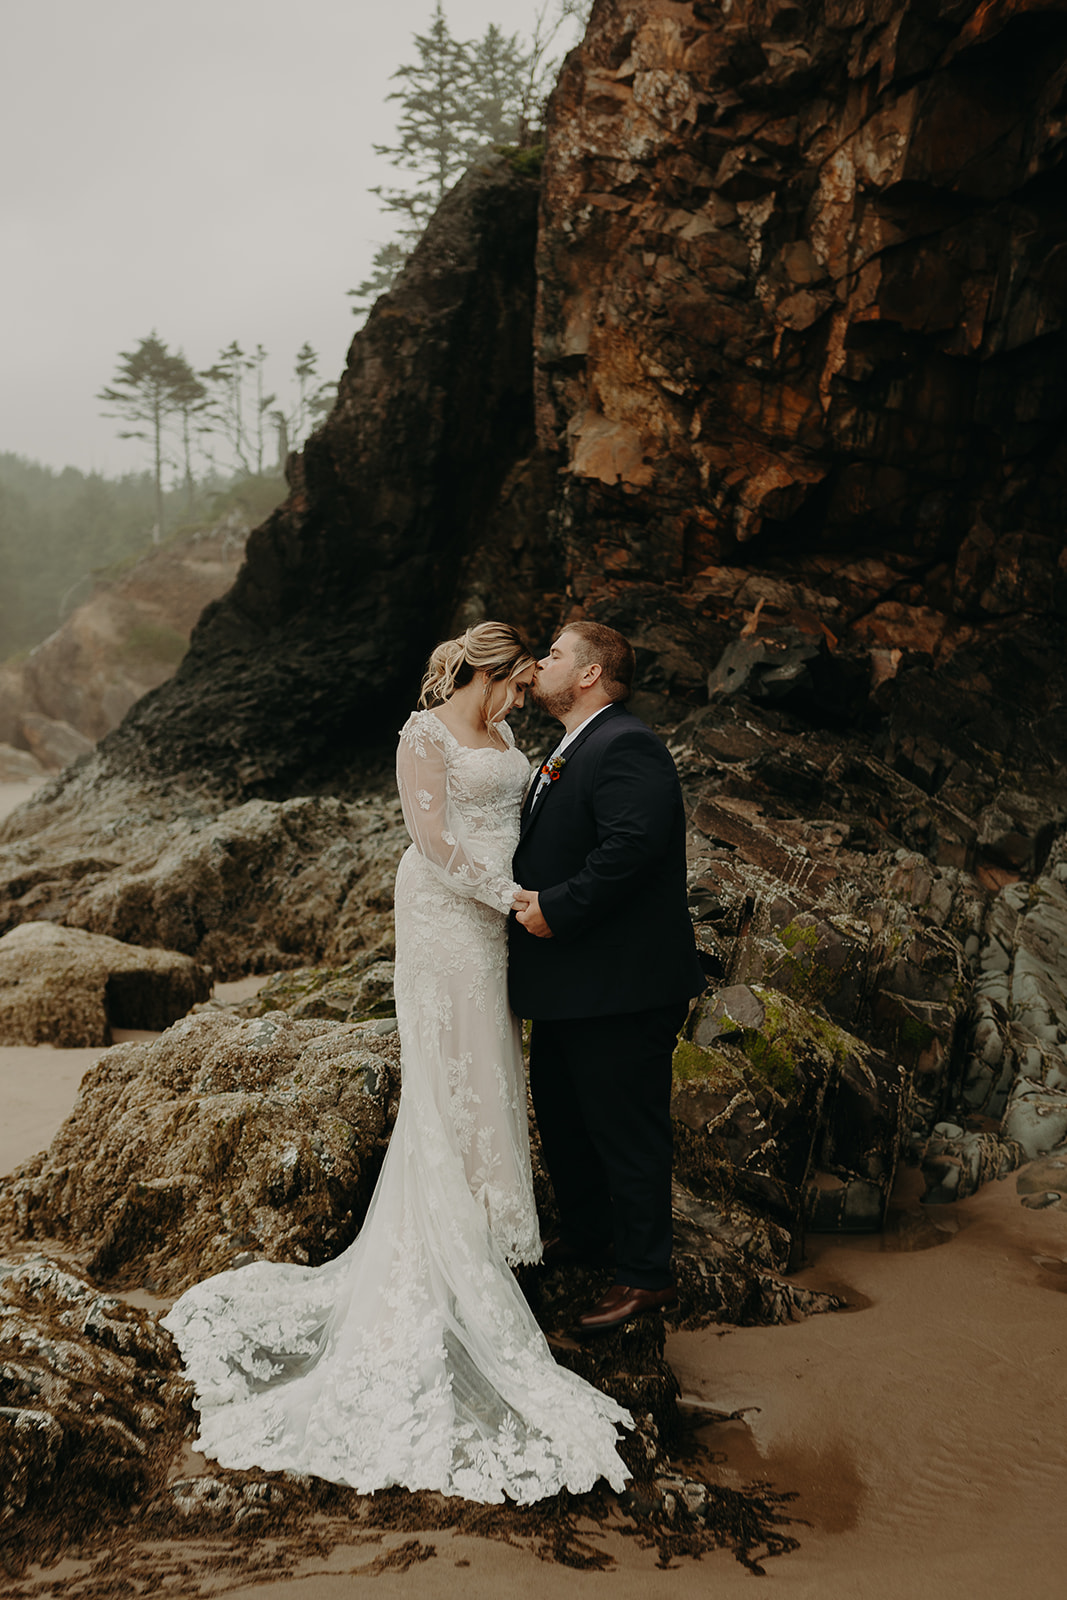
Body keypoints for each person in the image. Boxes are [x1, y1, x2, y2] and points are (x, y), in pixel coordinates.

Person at [162, 622, 631, 1503]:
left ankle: (488, 1235)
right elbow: (429, 838)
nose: (527, 695)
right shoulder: (424, 735)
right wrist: (506, 895)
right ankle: (444, 1247)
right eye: (521, 681)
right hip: (446, 916)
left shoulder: (503, 738)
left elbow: (517, 820)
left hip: (496, 928)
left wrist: (533, 898)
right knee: (447, 1073)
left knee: (490, 1065)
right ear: (490, 670)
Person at [509, 622, 707, 1334]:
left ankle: (646, 1277)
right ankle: (590, 1235)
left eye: (555, 655)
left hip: (623, 987)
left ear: (590, 675)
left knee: (629, 1133)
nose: (540, 664)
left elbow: (632, 847)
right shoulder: (570, 746)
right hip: (571, 986)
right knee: (564, 1122)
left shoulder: (626, 743)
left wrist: (555, 909)